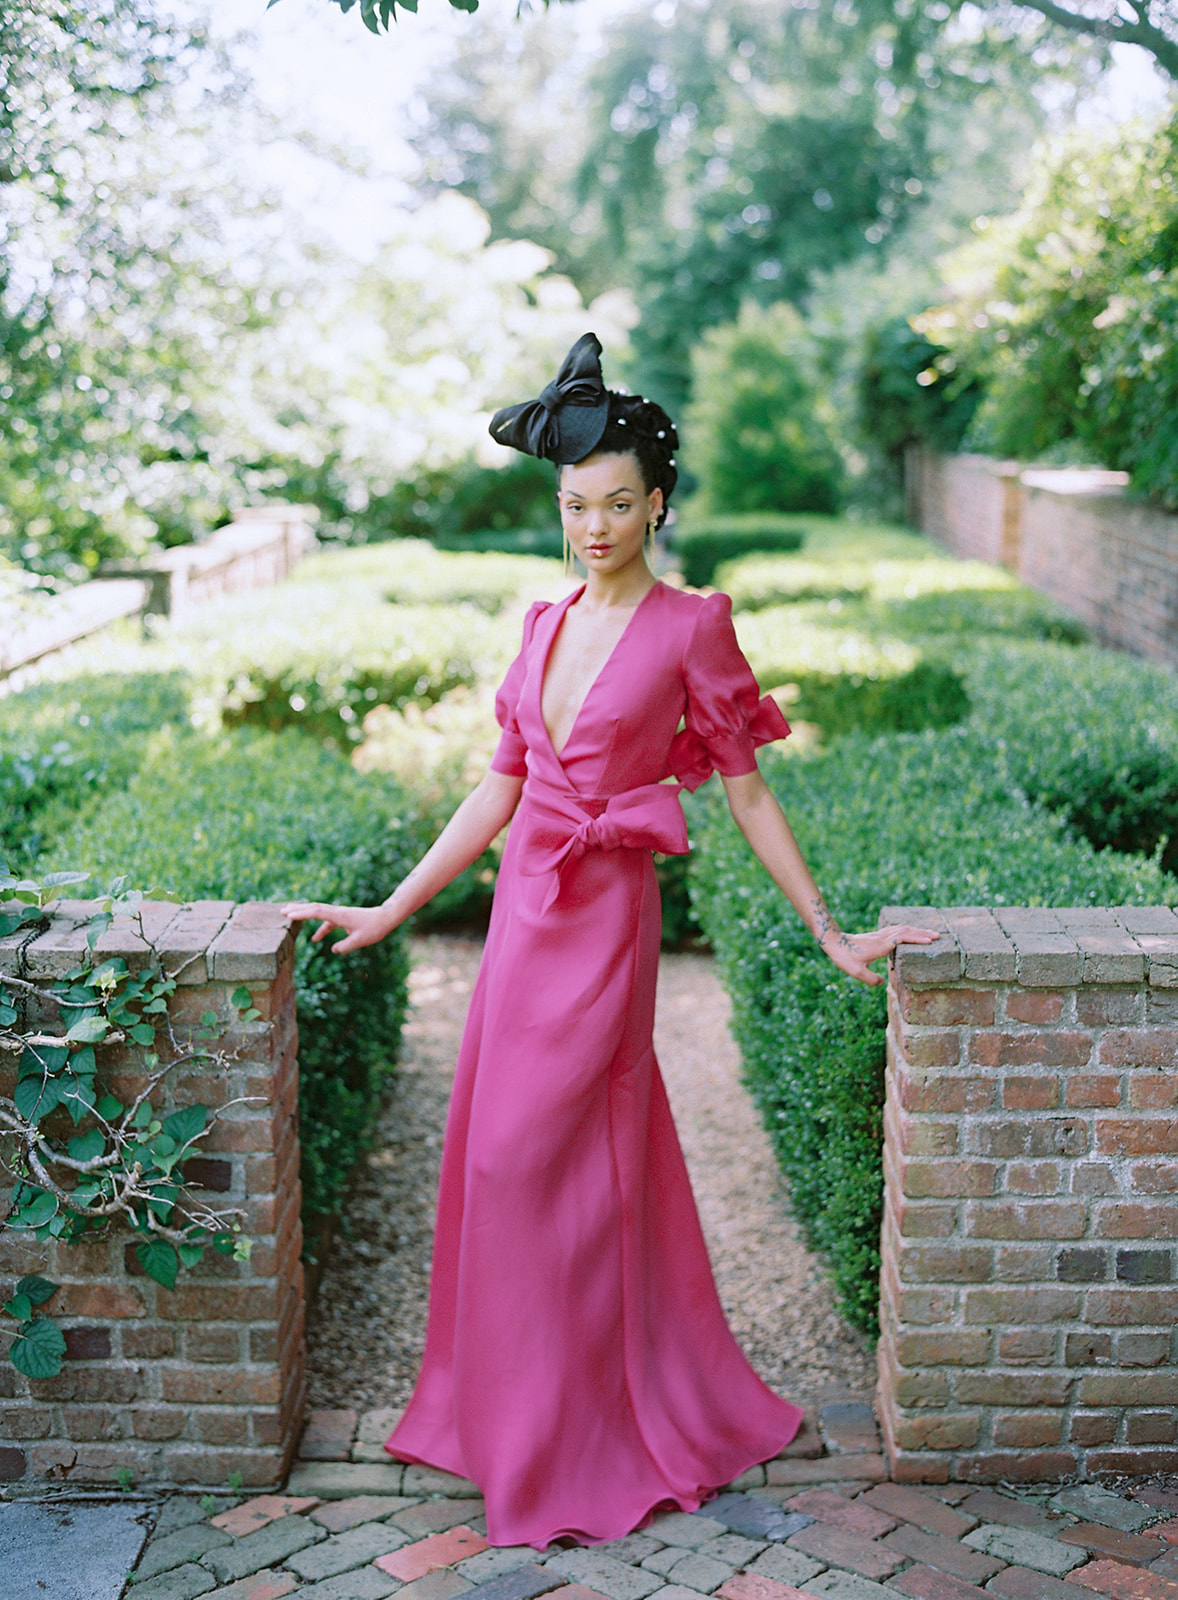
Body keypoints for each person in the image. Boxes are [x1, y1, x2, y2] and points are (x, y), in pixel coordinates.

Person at [283, 332, 936, 1551]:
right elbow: (495, 791)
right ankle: (517, 1418)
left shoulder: (693, 626)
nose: (593, 524)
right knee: (499, 1165)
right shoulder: (539, 624)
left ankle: (583, 1432)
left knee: (540, 1160)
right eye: (575, 503)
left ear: (656, 504)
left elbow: (745, 794)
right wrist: (391, 910)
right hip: (525, 916)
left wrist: (827, 930)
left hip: (606, 921)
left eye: (618, 504)